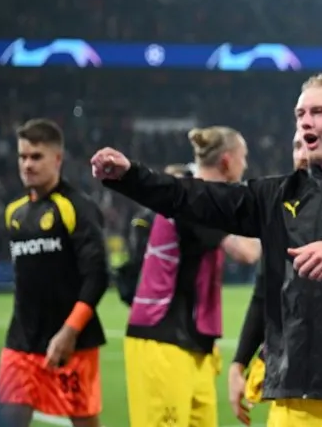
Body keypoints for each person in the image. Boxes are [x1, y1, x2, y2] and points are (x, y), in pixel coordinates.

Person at [91, 72, 322, 427]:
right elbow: (194, 197)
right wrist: (131, 177)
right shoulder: (279, 195)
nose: (306, 120)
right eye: (300, 114)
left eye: (318, 112)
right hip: (293, 393)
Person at [123, 126, 260, 427]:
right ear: (227, 161)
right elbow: (247, 251)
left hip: (194, 343)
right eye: (243, 157)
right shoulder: (191, 200)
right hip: (163, 341)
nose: (246, 165)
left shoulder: (200, 197)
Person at [0, 119, 108, 427]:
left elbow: (97, 276)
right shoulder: (14, 213)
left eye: (36, 157)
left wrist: (69, 331)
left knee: (84, 420)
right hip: (21, 342)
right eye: (22, 157)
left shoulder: (77, 207)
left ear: (57, 159)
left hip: (72, 342)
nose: (27, 165)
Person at [230, 130, 310, 425]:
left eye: (308, 144)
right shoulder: (281, 215)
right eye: (296, 146)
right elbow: (264, 292)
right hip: (288, 380)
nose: (302, 154)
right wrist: (239, 363)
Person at [116, 163, 193, 306]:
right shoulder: (144, 220)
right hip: (154, 288)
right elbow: (138, 255)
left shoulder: (193, 218)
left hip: (183, 288)